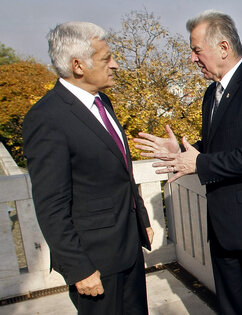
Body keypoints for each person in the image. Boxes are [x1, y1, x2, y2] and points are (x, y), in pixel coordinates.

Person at [134, 10, 242, 314]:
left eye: (197, 50)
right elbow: (217, 146)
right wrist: (182, 152)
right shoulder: (212, 94)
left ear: (223, 48)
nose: (193, 59)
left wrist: (199, 164)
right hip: (225, 230)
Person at [22, 21, 154, 314]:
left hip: (128, 248)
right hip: (95, 261)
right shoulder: (47, 118)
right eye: (107, 58)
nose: (116, 65)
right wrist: (79, 268)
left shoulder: (103, 102)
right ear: (78, 65)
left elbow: (121, 171)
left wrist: (141, 218)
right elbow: (51, 205)